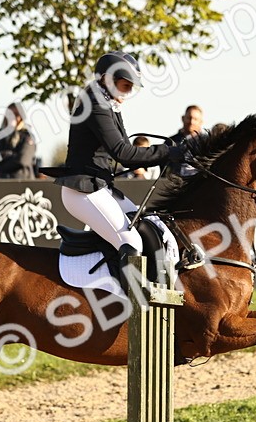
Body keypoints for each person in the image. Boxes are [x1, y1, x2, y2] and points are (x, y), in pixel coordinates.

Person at [55, 51, 201, 263]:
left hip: (100, 187)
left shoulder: (109, 104)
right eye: (126, 85)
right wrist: (169, 152)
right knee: (132, 243)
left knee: (151, 228)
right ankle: (128, 297)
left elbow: (124, 151)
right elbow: (123, 153)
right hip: (82, 192)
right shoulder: (95, 103)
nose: (129, 91)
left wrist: (169, 151)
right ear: (107, 79)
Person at [0, 103, 36, 179]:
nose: (11, 117)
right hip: (0, 182)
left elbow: (22, 160)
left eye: (15, 114)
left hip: (21, 183)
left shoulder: (27, 137)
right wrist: (7, 154)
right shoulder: (0, 136)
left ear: (21, 117)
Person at [166, 105, 203, 177]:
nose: (191, 122)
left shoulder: (206, 142)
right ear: (183, 118)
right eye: (189, 118)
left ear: (201, 122)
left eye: (195, 119)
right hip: (174, 183)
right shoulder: (170, 141)